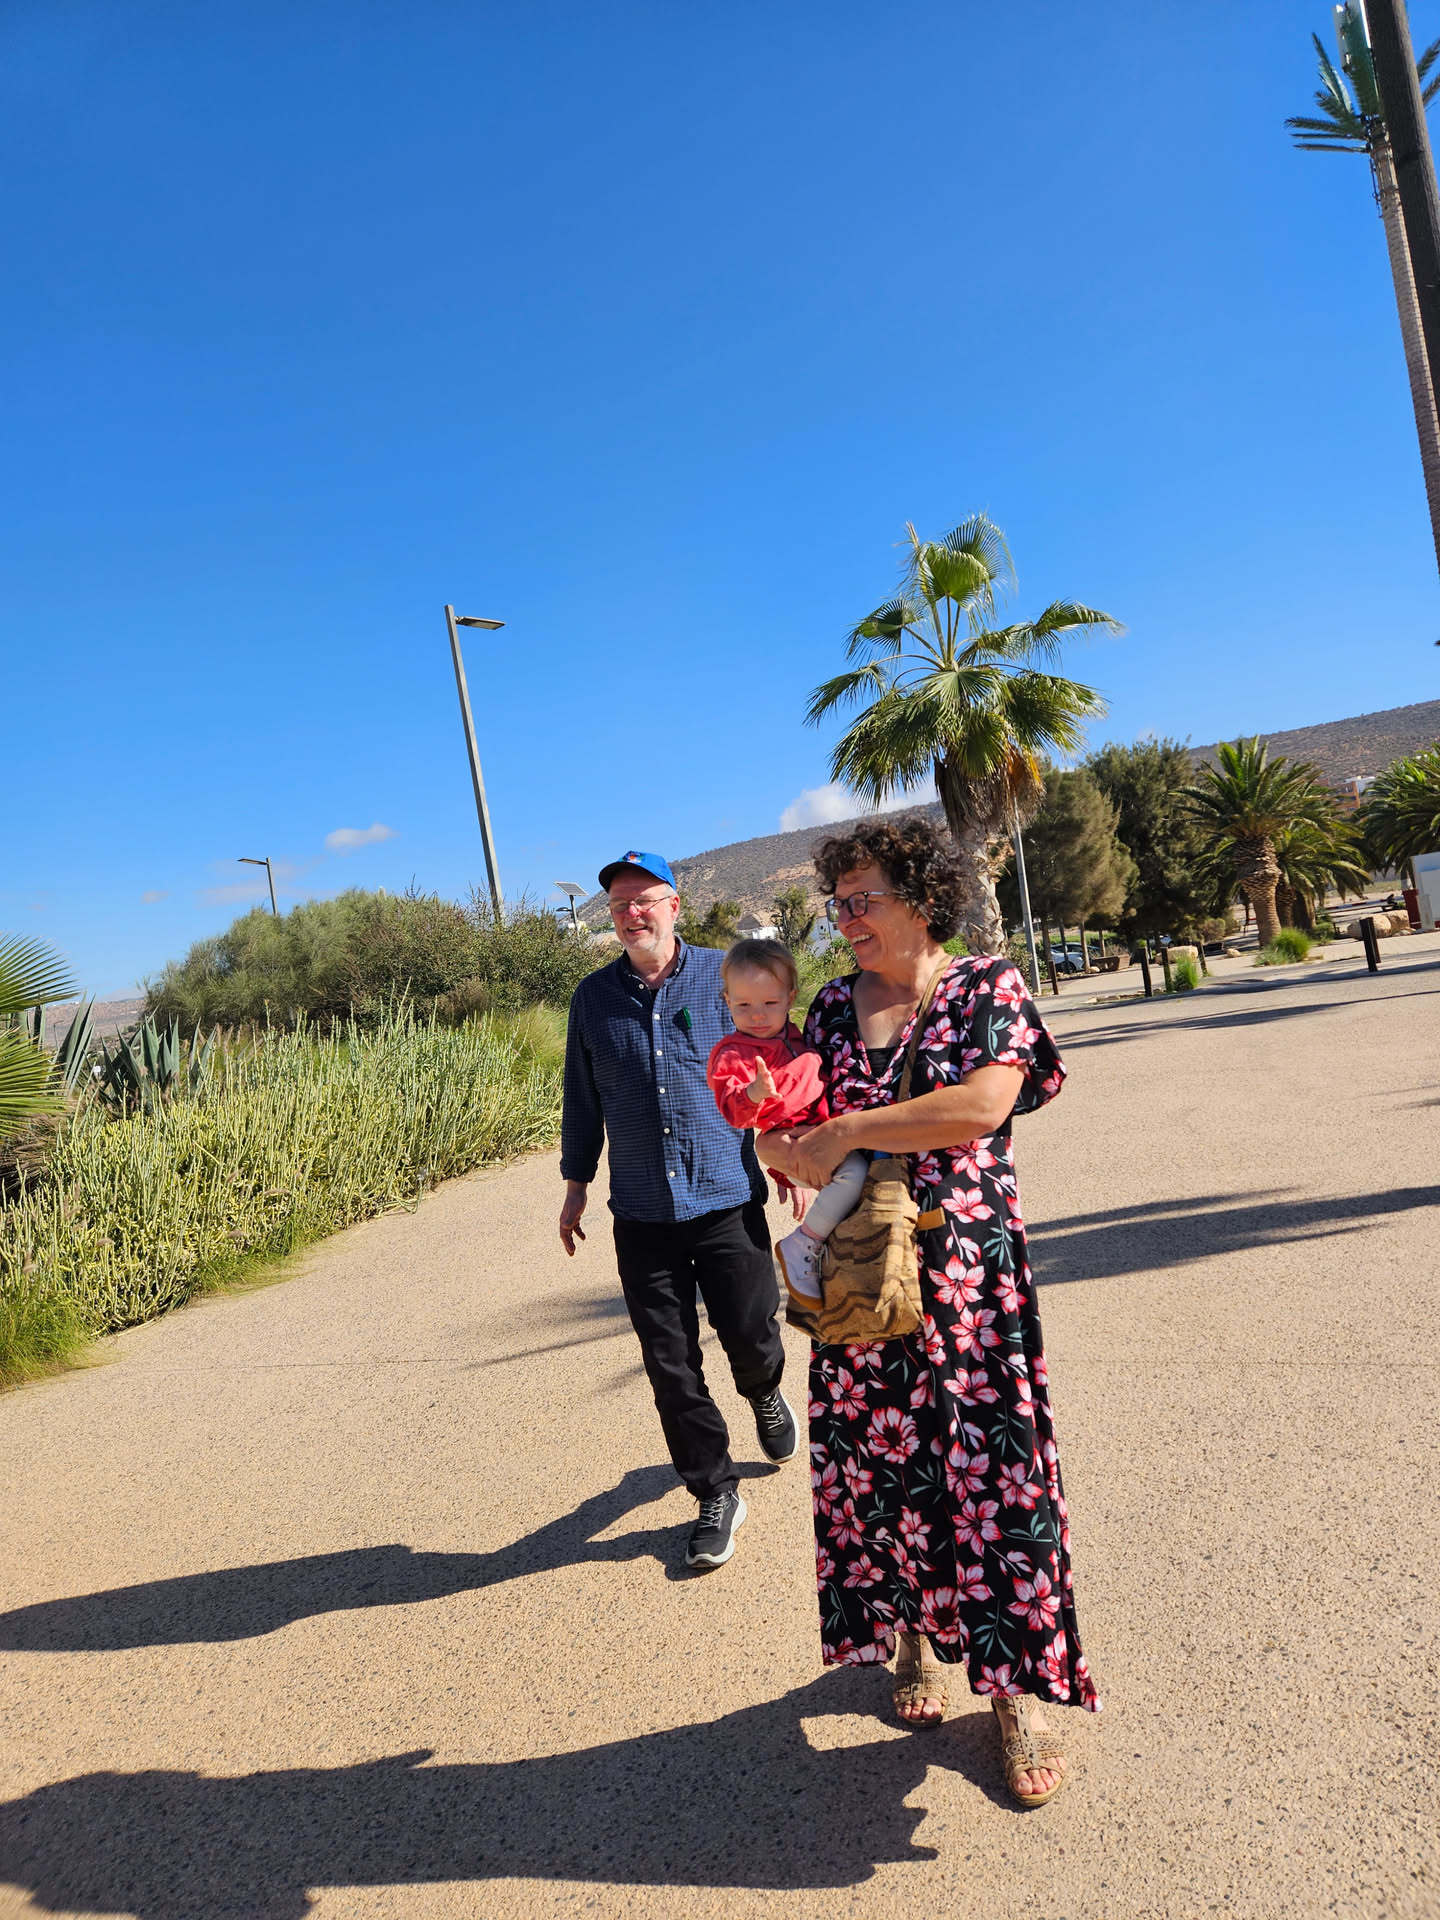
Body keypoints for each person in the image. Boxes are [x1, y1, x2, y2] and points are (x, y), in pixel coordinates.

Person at [755, 815, 1100, 1809]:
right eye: (838, 903)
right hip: (864, 1280)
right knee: (883, 1473)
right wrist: (781, 1145)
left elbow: (984, 1104)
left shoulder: (986, 985)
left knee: (992, 1480)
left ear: (920, 898)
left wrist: (850, 1130)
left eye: (863, 900)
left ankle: (1017, 1697)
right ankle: (910, 1639)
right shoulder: (829, 1008)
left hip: (967, 1286)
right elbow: (780, 1131)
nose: (846, 919)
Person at [560, 851, 798, 1571]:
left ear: (675, 907)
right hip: (640, 1212)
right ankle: (715, 1490)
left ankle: (763, 1390)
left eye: (645, 900)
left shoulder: (728, 977)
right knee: (670, 1365)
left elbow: (777, 1064)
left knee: (750, 1333)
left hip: (726, 1196)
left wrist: (788, 1149)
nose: (632, 914)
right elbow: (582, 1098)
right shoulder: (592, 999)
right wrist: (575, 1183)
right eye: (620, 905)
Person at [704, 936, 869, 1309]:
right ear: (727, 1001)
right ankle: (805, 1242)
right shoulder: (733, 1054)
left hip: (817, 1129)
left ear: (790, 997)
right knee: (854, 1174)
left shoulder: (792, 1032)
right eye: (743, 1005)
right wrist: (754, 1093)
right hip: (790, 1139)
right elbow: (732, 1112)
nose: (757, 1015)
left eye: (769, 1003)